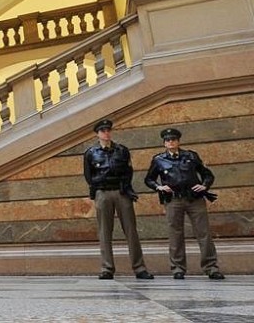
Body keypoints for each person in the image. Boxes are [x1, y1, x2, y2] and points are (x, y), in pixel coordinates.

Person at [144, 128, 225, 280]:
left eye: (173, 139)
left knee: (203, 233)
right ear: (164, 143)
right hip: (173, 200)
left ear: (178, 141)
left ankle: (211, 267)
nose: (171, 142)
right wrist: (159, 187)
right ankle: (178, 269)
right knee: (175, 234)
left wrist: (205, 185)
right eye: (168, 140)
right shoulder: (158, 160)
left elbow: (207, 174)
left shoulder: (191, 156)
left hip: (194, 199)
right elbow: (149, 179)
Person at [83, 118, 153, 280]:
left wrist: (126, 188)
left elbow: (129, 172)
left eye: (108, 130)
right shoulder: (91, 153)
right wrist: (97, 189)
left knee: (131, 231)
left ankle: (139, 268)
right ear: (97, 134)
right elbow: (88, 175)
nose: (106, 133)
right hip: (102, 193)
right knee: (104, 231)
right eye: (103, 131)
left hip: (122, 192)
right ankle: (107, 268)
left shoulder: (122, 150)